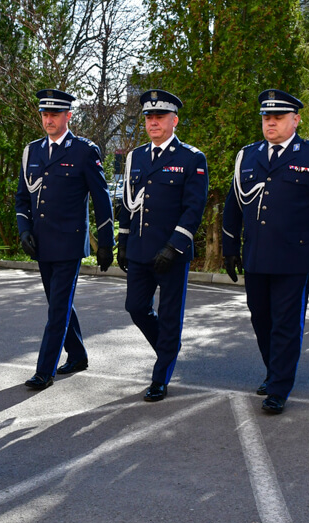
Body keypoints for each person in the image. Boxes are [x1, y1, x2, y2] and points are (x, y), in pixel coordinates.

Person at [222, 89, 309, 414]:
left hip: (294, 257)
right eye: (266, 117)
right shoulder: (248, 156)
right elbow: (233, 204)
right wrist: (230, 246)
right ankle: (275, 370)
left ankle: (278, 387)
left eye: (277, 117)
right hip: (257, 255)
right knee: (260, 317)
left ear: (296, 119)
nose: (270, 122)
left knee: (286, 324)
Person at [15, 89, 114, 390]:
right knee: (59, 303)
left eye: (54, 114)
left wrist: (106, 242)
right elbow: (22, 199)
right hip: (42, 244)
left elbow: (102, 198)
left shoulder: (84, 151)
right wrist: (24, 231)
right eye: (45, 114)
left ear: (68, 116)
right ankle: (79, 354)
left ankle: (44, 371)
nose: (48, 119)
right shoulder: (32, 151)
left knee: (57, 308)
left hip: (69, 244)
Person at [117, 89, 208, 402]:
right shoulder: (136, 157)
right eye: (149, 117)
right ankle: (168, 350)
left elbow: (194, 208)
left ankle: (160, 376)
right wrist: (122, 240)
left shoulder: (191, 158)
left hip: (172, 253)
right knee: (135, 307)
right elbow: (127, 203)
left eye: (160, 117)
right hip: (140, 250)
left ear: (175, 120)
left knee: (170, 317)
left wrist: (174, 246)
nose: (153, 122)